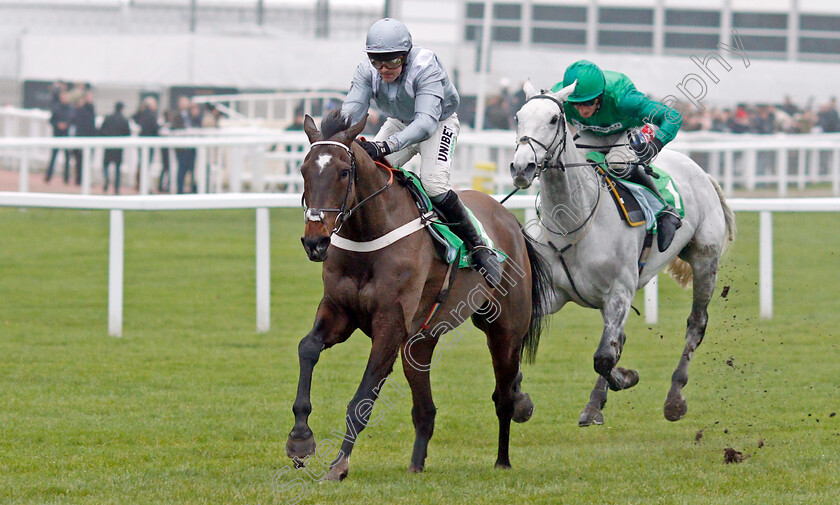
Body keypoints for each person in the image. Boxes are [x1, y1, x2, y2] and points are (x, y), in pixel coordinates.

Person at [341, 18, 502, 287]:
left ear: (405, 55)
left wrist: (384, 146)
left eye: (392, 61)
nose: (383, 68)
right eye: (377, 61)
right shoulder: (366, 72)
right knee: (364, 174)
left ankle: (480, 246)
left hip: (438, 123)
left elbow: (425, 124)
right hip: (399, 122)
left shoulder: (425, 66)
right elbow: (351, 111)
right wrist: (335, 139)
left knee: (433, 184)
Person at [552, 59, 683, 252]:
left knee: (617, 162)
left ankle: (664, 211)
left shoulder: (624, 99)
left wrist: (655, 144)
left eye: (588, 102)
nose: (582, 109)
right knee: (569, 163)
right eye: (576, 104)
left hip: (629, 129)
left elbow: (672, 117)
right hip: (592, 133)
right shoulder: (559, 96)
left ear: (601, 95)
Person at [99, 101, 131, 194]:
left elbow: (102, 131)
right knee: (117, 169)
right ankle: (116, 188)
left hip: (108, 147)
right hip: (118, 148)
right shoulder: (124, 120)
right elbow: (127, 134)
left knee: (105, 165)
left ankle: (107, 179)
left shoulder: (108, 118)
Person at [171, 95, 199, 193]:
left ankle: (192, 188)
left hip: (191, 147)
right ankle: (180, 189)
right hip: (182, 148)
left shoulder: (191, 115)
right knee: (181, 170)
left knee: (192, 169)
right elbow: (175, 128)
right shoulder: (176, 115)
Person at [70, 90, 97, 186]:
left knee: (82, 161)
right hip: (83, 138)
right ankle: (80, 179)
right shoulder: (82, 109)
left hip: (85, 138)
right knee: (81, 161)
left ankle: (81, 179)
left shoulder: (87, 109)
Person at [45, 90, 72, 183]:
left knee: (67, 158)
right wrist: (58, 125)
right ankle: (48, 176)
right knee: (53, 157)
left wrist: (66, 125)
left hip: (66, 136)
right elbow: (51, 121)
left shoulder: (71, 109)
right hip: (57, 136)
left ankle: (66, 178)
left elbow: (73, 121)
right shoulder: (56, 108)